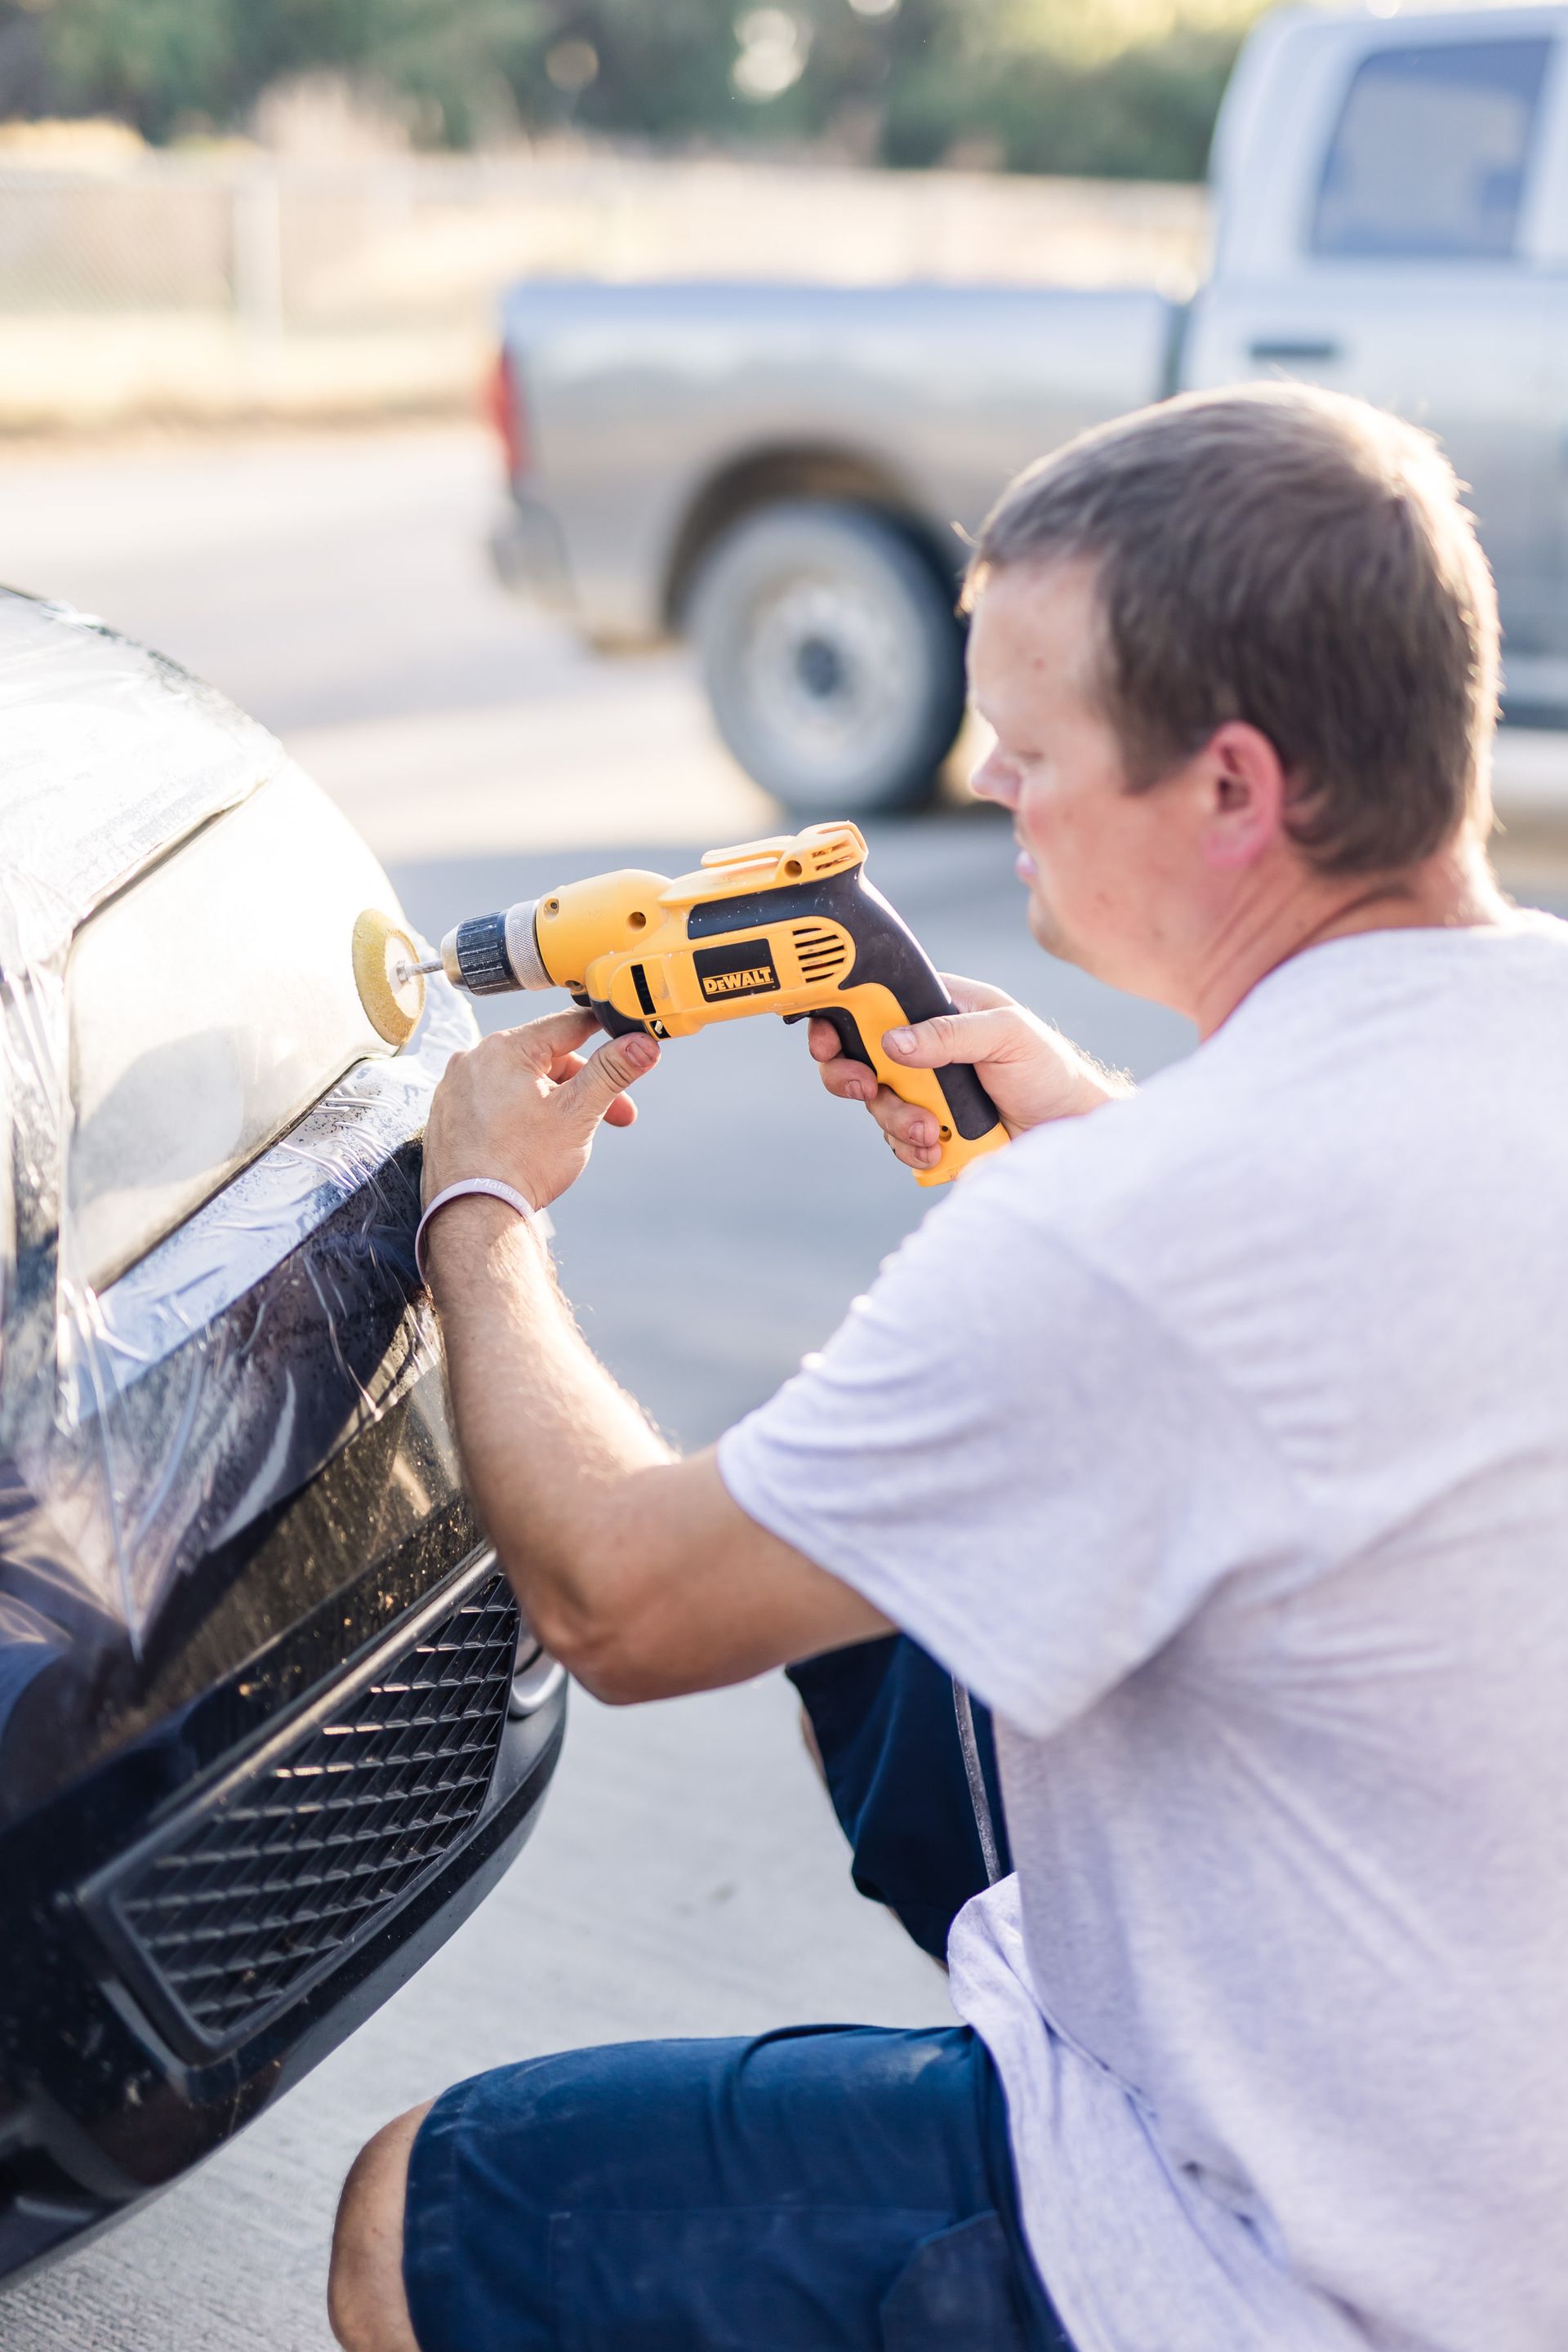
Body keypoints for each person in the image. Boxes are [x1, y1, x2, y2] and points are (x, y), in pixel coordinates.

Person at [327, 383, 1568, 2352]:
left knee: (425, 2212)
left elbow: (619, 1596)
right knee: (894, 1583)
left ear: (1234, 789)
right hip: (1512, 2143)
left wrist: (483, 1213)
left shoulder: (1126, 1243)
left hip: (1319, 2267)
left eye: (1036, 742)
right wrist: (1098, 1131)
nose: (989, 780)